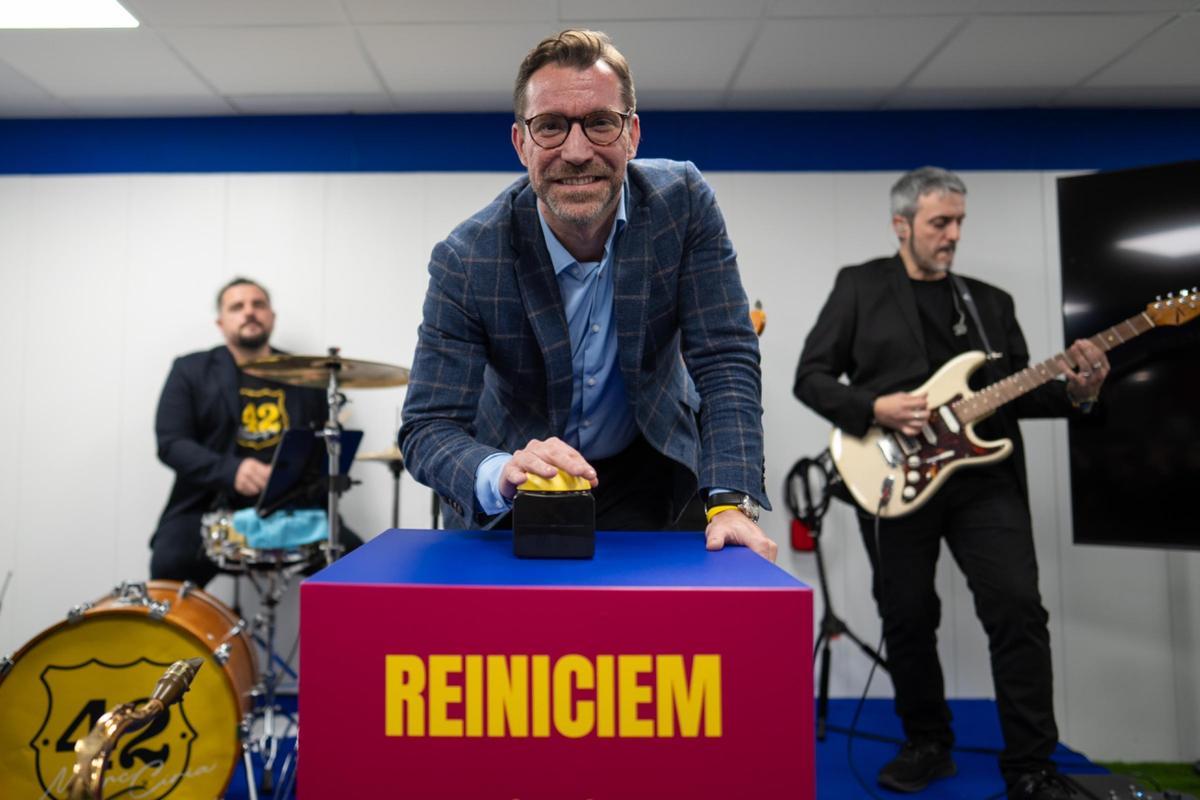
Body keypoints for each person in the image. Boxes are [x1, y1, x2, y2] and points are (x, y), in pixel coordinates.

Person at [399, 29, 774, 560]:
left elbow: (725, 358)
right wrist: (498, 470)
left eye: (600, 123)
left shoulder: (683, 205)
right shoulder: (468, 258)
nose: (576, 153)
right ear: (521, 143)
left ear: (632, 135)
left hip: (650, 468)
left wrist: (731, 499)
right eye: (550, 127)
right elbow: (428, 426)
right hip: (519, 487)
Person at [794, 167, 1108, 799]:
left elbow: (1016, 396)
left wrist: (1078, 393)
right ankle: (927, 742)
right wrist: (875, 407)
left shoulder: (990, 303)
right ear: (902, 224)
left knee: (1018, 609)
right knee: (907, 615)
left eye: (959, 221)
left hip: (983, 481)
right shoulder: (860, 287)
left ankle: (1031, 767)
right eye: (941, 222)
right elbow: (812, 376)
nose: (953, 234)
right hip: (891, 476)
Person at [150, 277, 359, 586]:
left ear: (271, 317)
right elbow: (171, 443)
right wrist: (231, 471)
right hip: (208, 507)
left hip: (291, 510)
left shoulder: (306, 376)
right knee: (170, 561)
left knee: (360, 569)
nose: (249, 312)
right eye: (237, 306)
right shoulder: (190, 370)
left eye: (258, 304)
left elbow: (324, 452)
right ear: (221, 322)